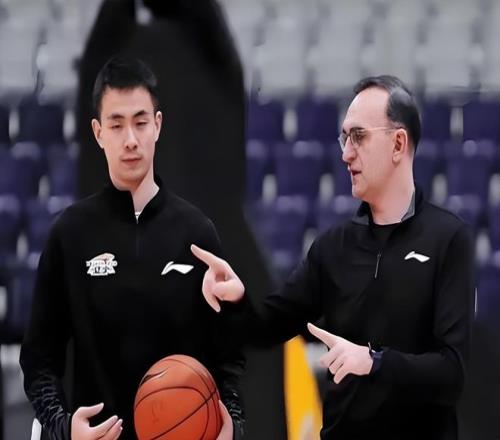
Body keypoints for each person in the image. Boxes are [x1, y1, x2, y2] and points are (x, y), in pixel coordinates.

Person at [191, 75, 475, 440]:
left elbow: (451, 374)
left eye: (359, 136)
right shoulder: (332, 248)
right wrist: (236, 299)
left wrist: (373, 362)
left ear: (398, 144)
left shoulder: (448, 239)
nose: (345, 153)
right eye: (345, 138)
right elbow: (266, 328)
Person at [20, 56, 244, 440]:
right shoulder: (69, 234)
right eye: (116, 124)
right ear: (97, 132)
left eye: (140, 122)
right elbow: (39, 360)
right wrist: (64, 428)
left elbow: (228, 361)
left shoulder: (197, 234)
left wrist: (232, 429)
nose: (130, 139)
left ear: (158, 125)